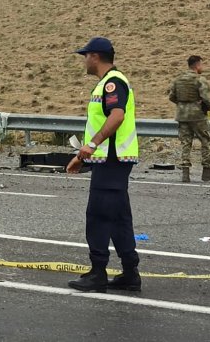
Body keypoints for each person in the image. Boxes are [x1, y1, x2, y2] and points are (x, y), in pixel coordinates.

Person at [65, 36, 141, 293]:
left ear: (95, 56)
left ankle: (97, 273)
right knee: (119, 218)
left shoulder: (112, 83)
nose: (84, 60)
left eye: (85, 55)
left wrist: (92, 145)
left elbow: (116, 116)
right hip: (114, 159)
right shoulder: (109, 83)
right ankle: (130, 272)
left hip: (111, 159)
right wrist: (81, 157)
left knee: (97, 216)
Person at [167, 55, 210, 182]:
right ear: (197, 65)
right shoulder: (200, 79)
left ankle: (185, 173)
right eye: (201, 64)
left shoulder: (178, 79)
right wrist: (207, 107)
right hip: (197, 115)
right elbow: (207, 98)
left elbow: (171, 96)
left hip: (182, 115)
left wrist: (182, 105)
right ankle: (207, 171)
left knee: (186, 143)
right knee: (206, 140)